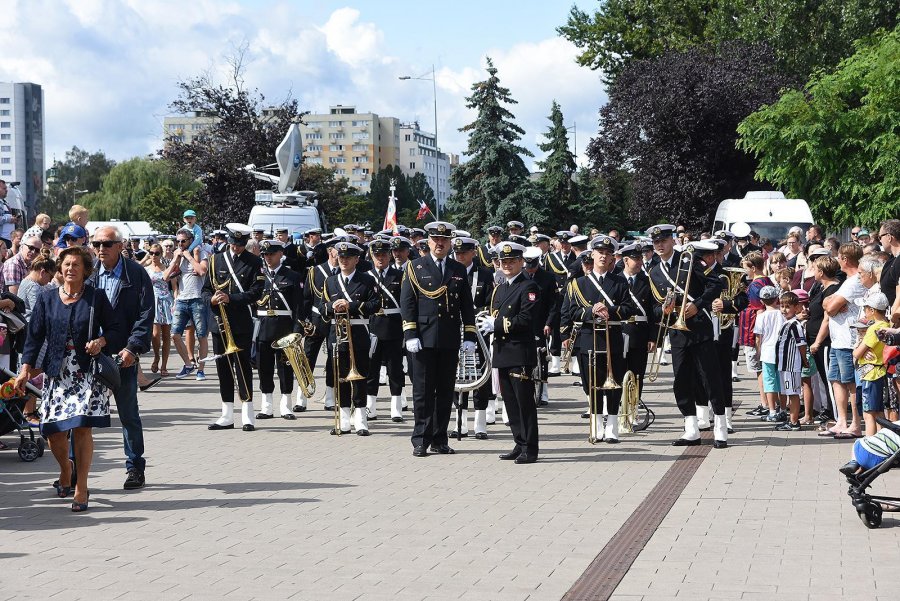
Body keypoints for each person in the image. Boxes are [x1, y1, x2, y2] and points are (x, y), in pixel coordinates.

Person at [16, 246, 121, 512]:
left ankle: (81, 487)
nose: (70, 268)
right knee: (53, 431)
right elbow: (34, 336)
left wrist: (101, 340)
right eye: (66, 264)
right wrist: (25, 368)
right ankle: (66, 468)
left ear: (86, 270)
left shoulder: (96, 297)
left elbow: (116, 328)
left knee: (82, 429)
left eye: (76, 265)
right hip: (56, 372)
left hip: (85, 372)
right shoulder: (47, 298)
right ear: (59, 269)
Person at [400, 221, 477, 457]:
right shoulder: (415, 267)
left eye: (444, 240)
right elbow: (407, 302)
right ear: (428, 241)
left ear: (450, 242)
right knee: (423, 391)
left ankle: (440, 438)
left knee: (445, 391)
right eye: (435, 239)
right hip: (423, 338)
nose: (440, 244)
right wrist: (410, 333)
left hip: (449, 337)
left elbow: (466, 304)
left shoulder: (457, 268)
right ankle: (420, 439)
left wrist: (470, 335)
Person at [646, 226, 727, 448]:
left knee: (709, 378)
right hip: (677, 330)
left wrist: (698, 305)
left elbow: (715, 284)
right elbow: (653, 306)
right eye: (655, 243)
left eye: (663, 241)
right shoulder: (653, 272)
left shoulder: (689, 259)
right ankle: (691, 428)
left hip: (699, 328)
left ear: (672, 240)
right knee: (682, 379)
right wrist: (663, 309)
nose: (659, 246)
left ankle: (720, 427)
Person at [88, 226, 156, 489]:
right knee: (83, 416)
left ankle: (135, 468)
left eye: (106, 244)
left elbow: (145, 314)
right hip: (92, 354)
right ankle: (74, 471)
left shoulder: (136, 274)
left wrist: (132, 348)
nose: (100, 249)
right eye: (96, 244)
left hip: (123, 355)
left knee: (128, 414)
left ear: (120, 245)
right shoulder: (89, 272)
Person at [562, 235, 637, 443]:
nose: (603, 257)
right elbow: (570, 312)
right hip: (588, 339)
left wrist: (609, 310)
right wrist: (590, 311)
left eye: (607, 254)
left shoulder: (620, 282)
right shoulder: (578, 283)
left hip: (612, 338)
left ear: (612, 257)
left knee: (613, 386)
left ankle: (612, 427)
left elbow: (629, 309)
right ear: (592, 254)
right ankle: (596, 426)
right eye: (600, 253)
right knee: (592, 384)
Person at [479, 242, 541, 463]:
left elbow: (526, 320)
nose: (506, 265)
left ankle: (530, 449)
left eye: (511, 261)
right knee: (510, 403)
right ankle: (519, 442)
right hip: (503, 351)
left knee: (524, 403)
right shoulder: (500, 287)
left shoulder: (528, 287)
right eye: (503, 262)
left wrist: (496, 325)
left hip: (520, 352)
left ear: (521, 262)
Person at [204, 223, 264, 431]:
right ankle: (226, 415)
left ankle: (248, 414)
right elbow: (205, 290)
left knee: (243, 368)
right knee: (224, 369)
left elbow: (256, 292)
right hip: (219, 322)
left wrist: (231, 298)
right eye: (233, 243)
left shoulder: (255, 262)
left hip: (241, 321)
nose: (236, 248)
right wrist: (211, 299)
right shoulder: (214, 260)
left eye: (240, 244)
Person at [320, 241, 379, 435]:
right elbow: (322, 308)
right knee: (341, 378)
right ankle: (344, 419)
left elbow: (375, 305)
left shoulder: (367, 280)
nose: (343, 261)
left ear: (356, 259)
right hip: (337, 334)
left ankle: (361, 419)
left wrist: (351, 306)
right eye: (341, 257)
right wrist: (331, 308)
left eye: (348, 257)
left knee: (360, 375)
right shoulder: (330, 281)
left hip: (359, 334)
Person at [451, 236, 496, 437]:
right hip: (454, 331)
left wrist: (479, 314)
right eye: (457, 253)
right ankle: (459, 423)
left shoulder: (485, 275)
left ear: (473, 253)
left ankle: (480, 423)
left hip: (478, 330)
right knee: (455, 373)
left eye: (464, 253)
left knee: (480, 374)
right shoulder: (449, 272)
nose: (460, 256)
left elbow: (492, 302)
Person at [254, 240, 305, 421]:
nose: (268, 258)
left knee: (285, 367)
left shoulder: (292, 276)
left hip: (284, 326)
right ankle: (266, 406)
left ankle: (286, 405)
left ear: (280, 254)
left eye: (271, 254)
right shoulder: (258, 275)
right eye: (265, 255)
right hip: (263, 325)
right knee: (264, 368)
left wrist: (297, 331)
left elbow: (299, 306)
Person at [823, 243, 867, 438]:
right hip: (837, 340)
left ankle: (856, 423)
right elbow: (827, 303)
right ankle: (842, 420)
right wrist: (831, 303)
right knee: (837, 380)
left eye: (839, 257)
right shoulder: (846, 280)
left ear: (845, 259)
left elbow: (831, 308)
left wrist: (832, 303)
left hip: (848, 340)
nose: (837, 261)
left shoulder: (856, 280)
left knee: (850, 383)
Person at [365, 238, 406, 423]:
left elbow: (406, 303)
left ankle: (396, 408)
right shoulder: (366, 276)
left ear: (389, 255)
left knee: (395, 368)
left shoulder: (399, 276)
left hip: (393, 326)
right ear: (372, 256)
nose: (380, 258)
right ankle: (370, 407)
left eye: (383, 254)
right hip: (372, 326)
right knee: (371, 369)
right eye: (377, 255)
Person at [165, 228, 210, 380]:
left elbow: (202, 271)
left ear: (190, 240)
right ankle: (188, 364)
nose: (180, 244)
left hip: (198, 299)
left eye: (183, 241)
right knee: (175, 335)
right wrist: (176, 260)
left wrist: (189, 257)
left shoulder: (201, 253)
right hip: (182, 300)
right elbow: (166, 277)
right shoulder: (178, 256)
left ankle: (201, 369)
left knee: (202, 335)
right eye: (178, 241)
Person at [853, 293, 890, 436]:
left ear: (873, 310)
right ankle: (882, 444)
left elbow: (856, 353)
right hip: (879, 372)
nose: (864, 311)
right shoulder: (886, 325)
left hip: (871, 374)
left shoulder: (874, 329)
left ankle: (870, 444)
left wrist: (859, 350)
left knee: (869, 414)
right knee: (879, 413)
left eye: (865, 308)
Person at [773, 291, 808, 431]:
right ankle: (790, 419)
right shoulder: (786, 324)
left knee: (793, 393)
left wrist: (804, 360)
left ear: (796, 307)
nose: (784, 310)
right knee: (787, 392)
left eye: (787, 307)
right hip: (783, 365)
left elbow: (801, 344)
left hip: (792, 365)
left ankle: (794, 422)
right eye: (782, 306)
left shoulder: (795, 325)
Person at [754, 286, 786, 422]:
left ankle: (772, 411)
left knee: (769, 382)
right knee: (782, 382)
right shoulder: (782, 314)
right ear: (777, 299)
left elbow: (758, 337)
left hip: (767, 352)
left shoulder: (761, 316)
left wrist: (758, 351)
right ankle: (783, 409)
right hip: (781, 351)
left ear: (762, 301)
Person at [145, 243, 173, 376]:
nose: (154, 255)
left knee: (167, 335)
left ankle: (164, 365)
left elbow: (174, 286)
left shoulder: (166, 268)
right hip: (153, 301)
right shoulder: (146, 269)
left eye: (156, 253)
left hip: (166, 300)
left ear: (161, 254)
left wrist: (175, 302)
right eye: (151, 253)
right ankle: (156, 357)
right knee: (155, 335)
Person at [19, 252, 56, 317]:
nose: (50, 281)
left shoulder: (27, 281)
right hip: (29, 324)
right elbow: (39, 312)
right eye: (51, 277)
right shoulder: (33, 287)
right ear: (43, 272)